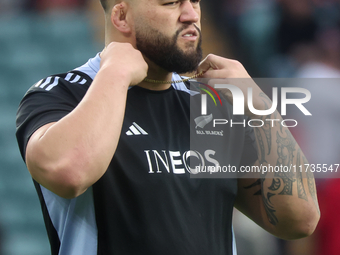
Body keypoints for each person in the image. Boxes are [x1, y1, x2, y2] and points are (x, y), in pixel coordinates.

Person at [16, 0, 320, 254]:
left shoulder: (209, 106)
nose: (191, 14)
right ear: (122, 16)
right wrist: (117, 71)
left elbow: (300, 219)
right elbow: (70, 171)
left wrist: (258, 103)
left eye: (195, 1)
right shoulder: (61, 94)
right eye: (171, 2)